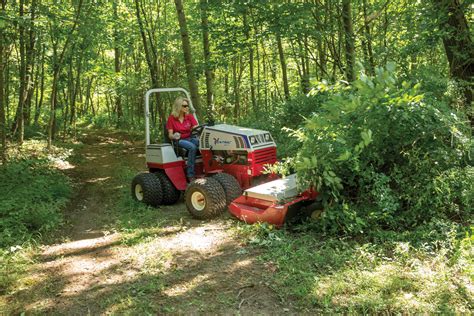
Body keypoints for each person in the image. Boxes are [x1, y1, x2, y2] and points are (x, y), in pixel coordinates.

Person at [166, 97, 199, 181]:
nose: (187, 107)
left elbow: (196, 128)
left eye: (187, 106)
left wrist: (194, 129)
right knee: (192, 147)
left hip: (190, 138)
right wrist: (174, 136)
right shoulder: (171, 119)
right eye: (184, 106)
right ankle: (190, 174)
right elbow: (170, 135)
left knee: (203, 143)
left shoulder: (190, 117)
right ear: (179, 107)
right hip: (179, 140)